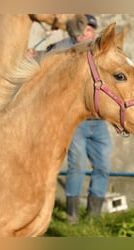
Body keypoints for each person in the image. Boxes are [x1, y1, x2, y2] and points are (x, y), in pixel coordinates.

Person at [39, 14, 112, 224]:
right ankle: (72, 216)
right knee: (77, 166)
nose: (90, 33)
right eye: (86, 30)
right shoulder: (67, 47)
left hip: (99, 122)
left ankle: (93, 215)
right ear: (77, 33)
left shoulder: (99, 51)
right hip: (78, 122)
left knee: (102, 166)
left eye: (92, 30)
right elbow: (46, 56)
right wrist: (35, 55)